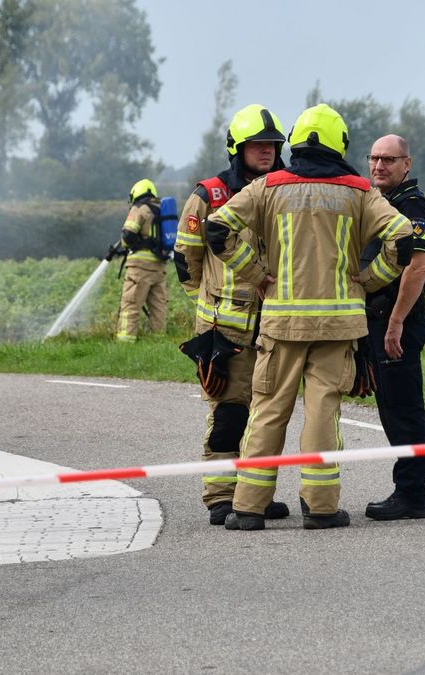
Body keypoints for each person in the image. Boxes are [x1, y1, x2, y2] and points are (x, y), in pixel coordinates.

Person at [205, 104, 413, 531]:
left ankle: (249, 508)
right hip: (337, 326)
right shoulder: (359, 191)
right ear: (340, 144)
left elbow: (217, 230)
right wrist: (370, 280)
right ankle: (320, 508)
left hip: (280, 324)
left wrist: (256, 274)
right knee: (322, 414)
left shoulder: (268, 186)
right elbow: (402, 237)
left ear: (296, 141)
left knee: (267, 411)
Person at [173, 104, 290, 526]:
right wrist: (208, 307)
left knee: (266, 415)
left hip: (275, 324)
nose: (266, 150)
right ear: (236, 149)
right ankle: (221, 496)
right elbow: (186, 257)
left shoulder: (284, 190)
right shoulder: (210, 194)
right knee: (229, 413)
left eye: (272, 144)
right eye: (257, 145)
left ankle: (254, 495)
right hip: (226, 331)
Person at [358, 135, 425, 521]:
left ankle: (412, 494)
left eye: (389, 159)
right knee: (391, 407)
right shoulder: (379, 202)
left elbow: (416, 267)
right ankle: (408, 489)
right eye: (374, 158)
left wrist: (395, 323)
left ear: (407, 163)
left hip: (398, 321)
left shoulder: (413, 206)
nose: (379, 166)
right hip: (379, 319)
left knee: (404, 410)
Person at [115, 179, 168, 342]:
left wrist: (126, 244)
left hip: (139, 268)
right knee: (158, 308)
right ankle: (158, 342)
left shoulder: (139, 209)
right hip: (159, 268)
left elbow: (128, 236)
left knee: (130, 305)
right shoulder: (162, 211)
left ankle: (125, 343)